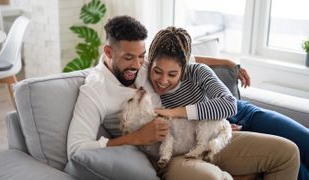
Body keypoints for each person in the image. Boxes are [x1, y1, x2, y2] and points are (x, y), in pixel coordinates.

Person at [67, 16, 300, 180]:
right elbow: (77, 149)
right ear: (108, 52)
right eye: (129, 57)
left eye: (141, 56)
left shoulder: (148, 64)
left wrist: (227, 63)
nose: (138, 65)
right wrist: (137, 137)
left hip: (204, 129)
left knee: (288, 152)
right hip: (169, 155)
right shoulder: (93, 92)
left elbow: (182, 58)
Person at [143, 26, 308, 180]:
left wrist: (176, 111)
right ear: (150, 62)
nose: (163, 80)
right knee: (296, 166)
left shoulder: (195, 70)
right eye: (157, 72)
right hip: (216, 129)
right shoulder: (144, 73)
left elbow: (229, 104)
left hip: (240, 113)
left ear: (184, 68)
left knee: (305, 142)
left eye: (172, 75)